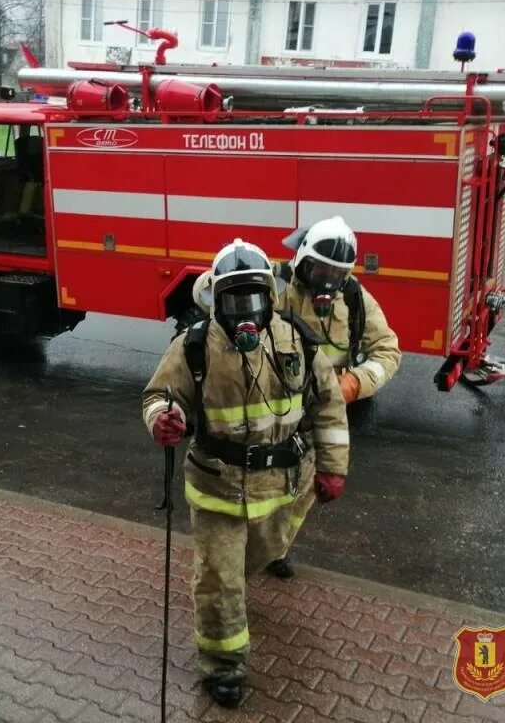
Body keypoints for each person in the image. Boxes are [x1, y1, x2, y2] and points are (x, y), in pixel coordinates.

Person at [142, 238, 349, 708]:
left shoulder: (296, 340)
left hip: (281, 488)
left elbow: (329, 406)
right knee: (220, 577)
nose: (246, 313)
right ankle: (223, 667)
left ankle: (237, 593)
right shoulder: (193, 347)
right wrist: (163, 419)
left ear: (269, 298)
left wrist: (334, 468)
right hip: (216, 488)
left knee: (259, 557)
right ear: (216, 300)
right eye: (234, 301)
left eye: (254, 299)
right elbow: (157, 396)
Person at [265, 216, 401, 578]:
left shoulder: (354, 298)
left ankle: (276, 550)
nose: (328, 280)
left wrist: (355, 383)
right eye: (320, 269)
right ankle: (251, 545)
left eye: (336, 273)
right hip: (272, 410)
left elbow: (388, 351)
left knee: (303, 492)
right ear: (302, 261)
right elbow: (211, 293)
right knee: (263, 484)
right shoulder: (275, 287)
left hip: (320, 415)